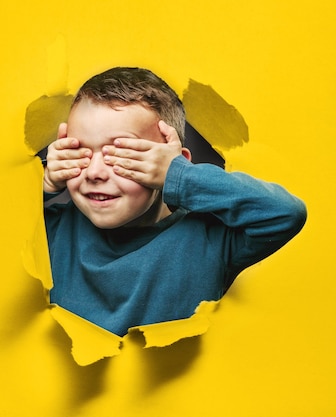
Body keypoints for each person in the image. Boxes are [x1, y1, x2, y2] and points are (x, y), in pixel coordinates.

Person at [42, 67, 307, 336]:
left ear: (171, 162)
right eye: (79, 152)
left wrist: (178, 176)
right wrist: (43, 182)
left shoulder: (210, 240)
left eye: (123, 155)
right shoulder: (50, 231)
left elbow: (285, 213)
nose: (95, 172)